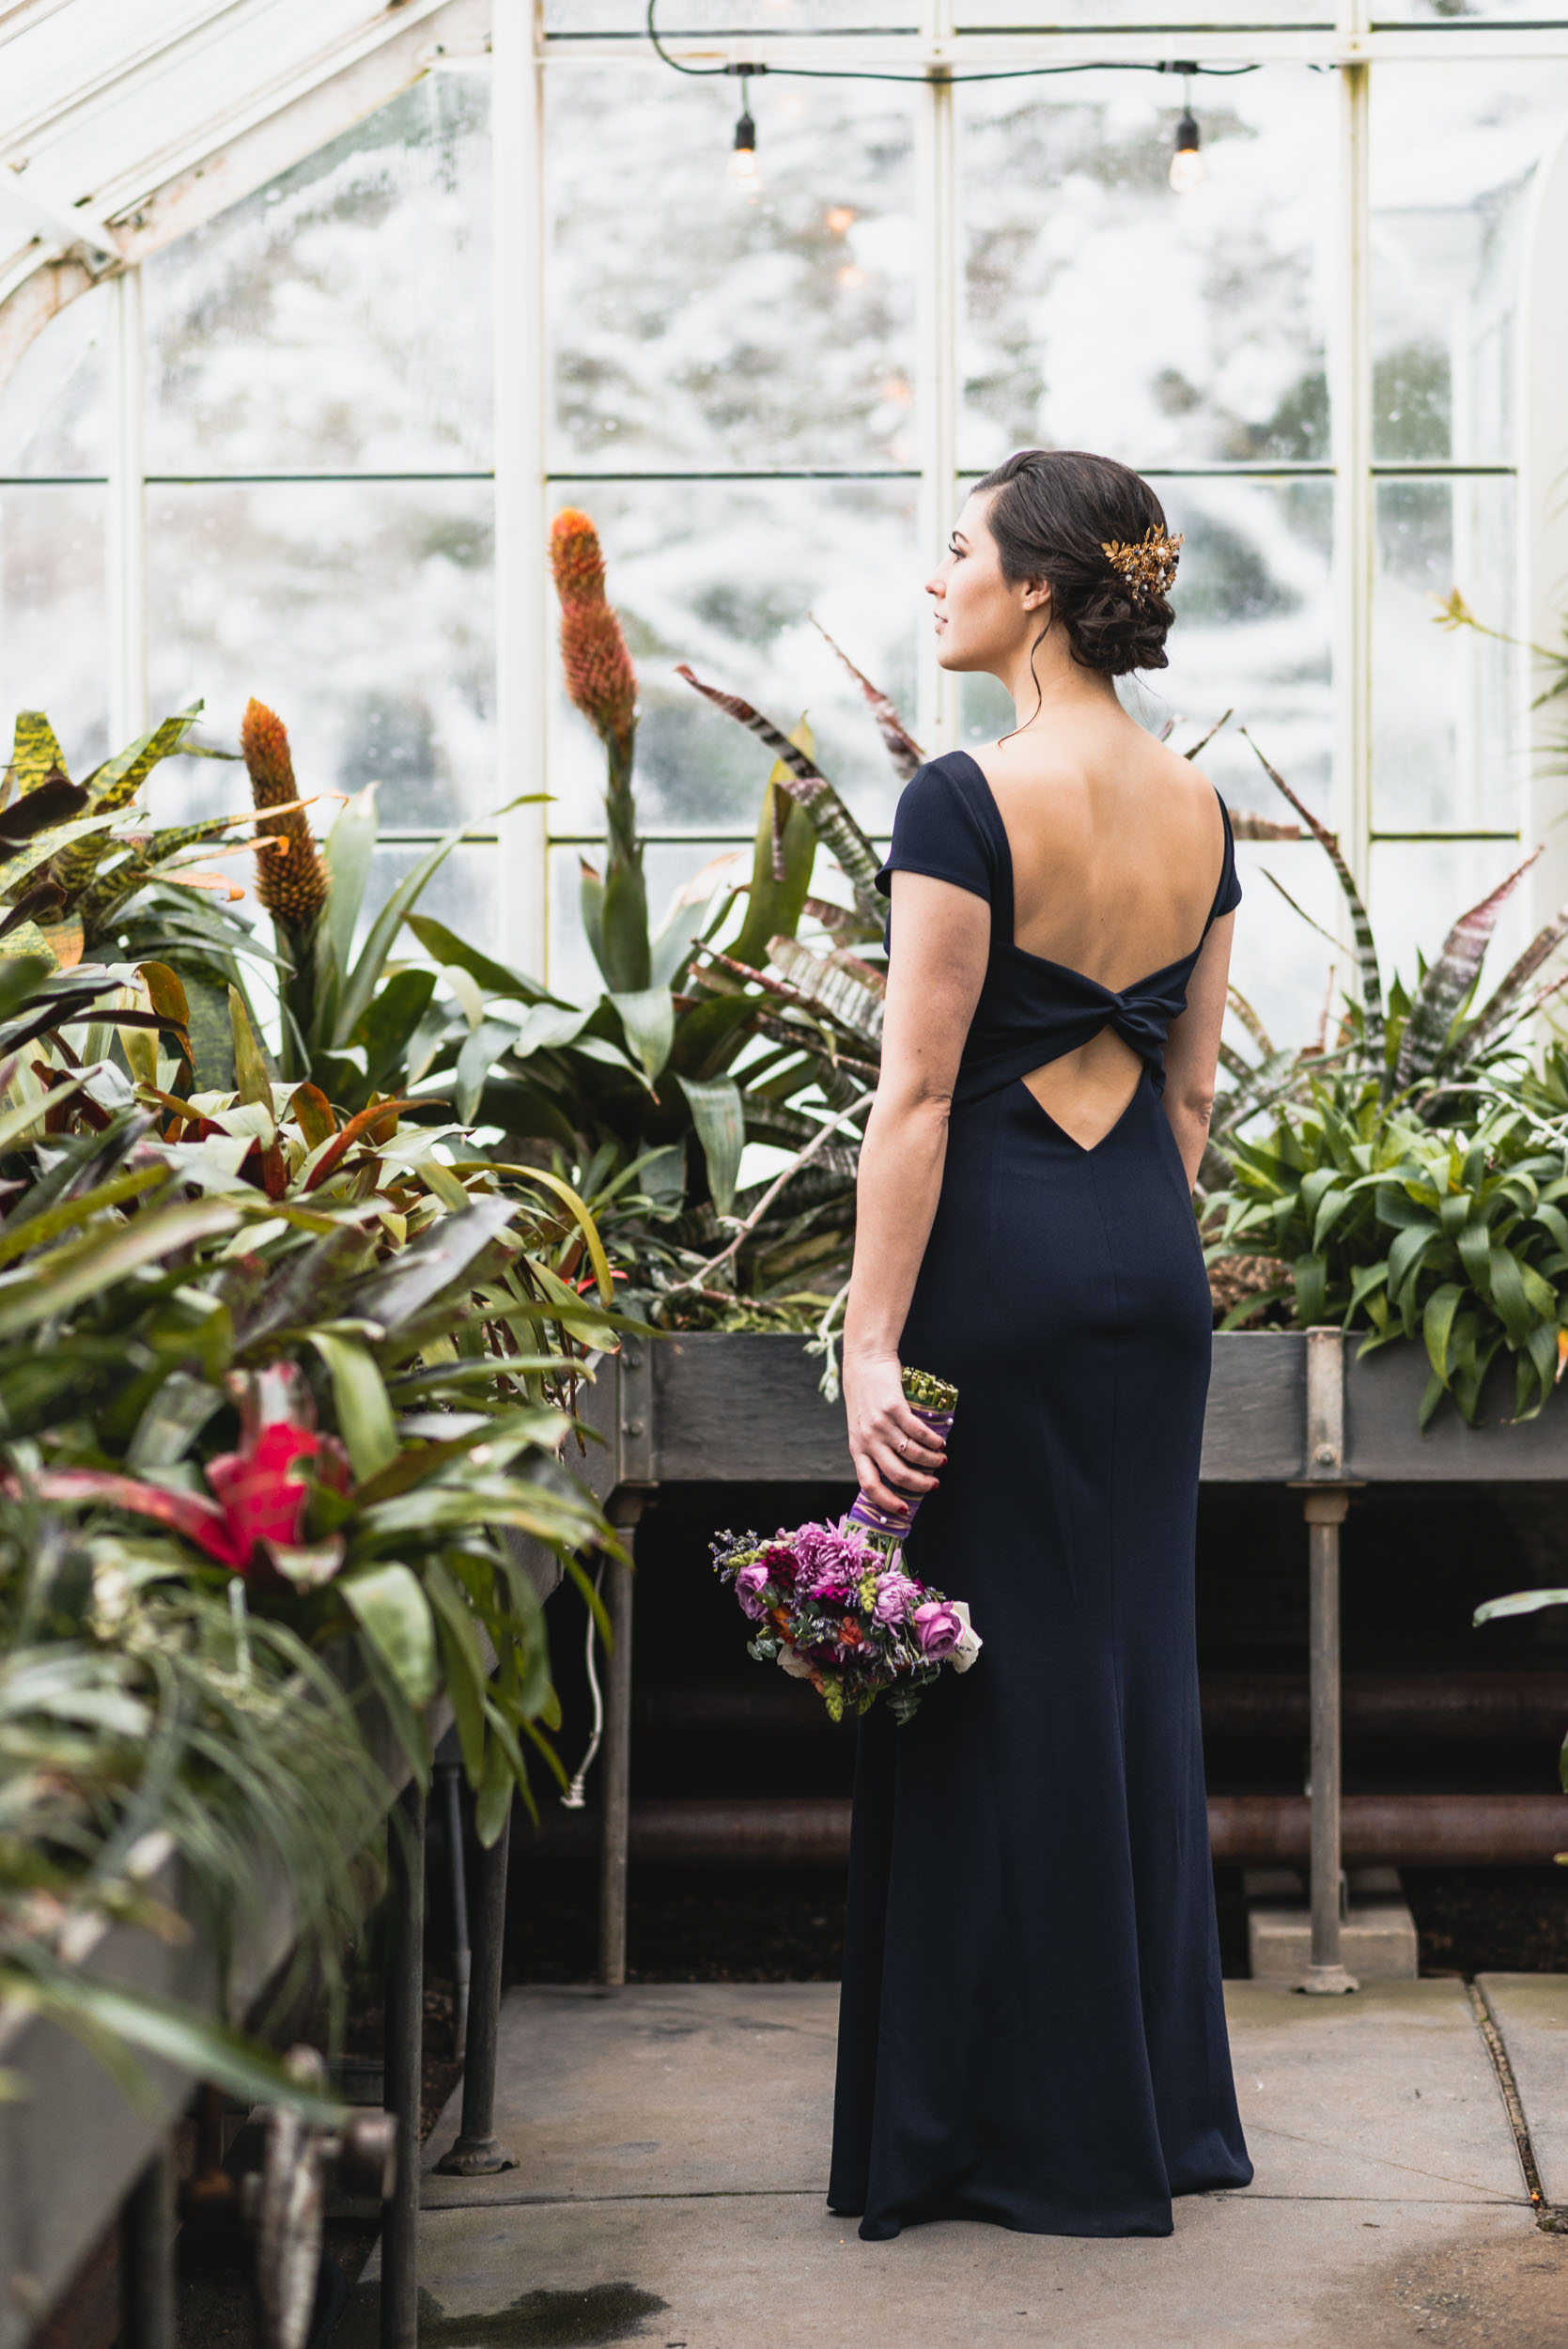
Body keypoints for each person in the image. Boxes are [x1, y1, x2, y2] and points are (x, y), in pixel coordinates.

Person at [828, 446, 1255, 2240]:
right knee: (1125, 1675)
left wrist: (865, 1344)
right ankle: (1143, 2118)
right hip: (1141, 1279)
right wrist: (1124, 1260)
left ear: (1041, 591)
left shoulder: (961, 797)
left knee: (976, 1685)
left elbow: (916, 1097)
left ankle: (995, 2131)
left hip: (990, 1261)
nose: (935, 583)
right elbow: (1189, 1098)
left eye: (957, 554)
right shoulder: (1199, 812)